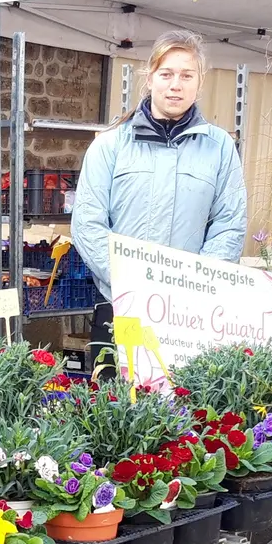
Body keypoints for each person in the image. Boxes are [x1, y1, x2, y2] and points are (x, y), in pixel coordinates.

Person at [69, 30, 248, 371]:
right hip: (119, 305)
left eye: (186, 75)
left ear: (200, 82)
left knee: (184, 412)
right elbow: (87, 224)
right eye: (166, 74)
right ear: (150, 78)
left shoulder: (219, 148)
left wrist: (195, 283)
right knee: (116, 415)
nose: (175, 85)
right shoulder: (110, 145)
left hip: (188, 315)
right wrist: (130, 281)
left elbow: (229, 223)